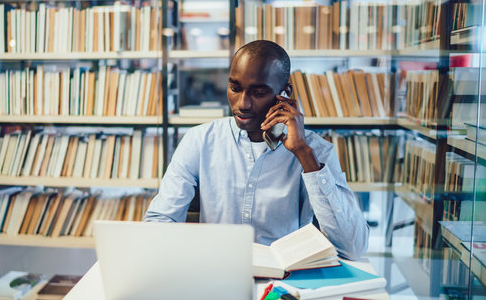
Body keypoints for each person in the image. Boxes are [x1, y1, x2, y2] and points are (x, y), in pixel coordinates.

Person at [145, 40, 369, 260]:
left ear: (284, 93)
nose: (243, 103)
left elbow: (352, 247)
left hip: (285, 281)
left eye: (259, 92)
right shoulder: (199, 141)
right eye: (235, 88)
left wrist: (303, 153)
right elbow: (159, 222)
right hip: (214, 272)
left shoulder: (316, 150)